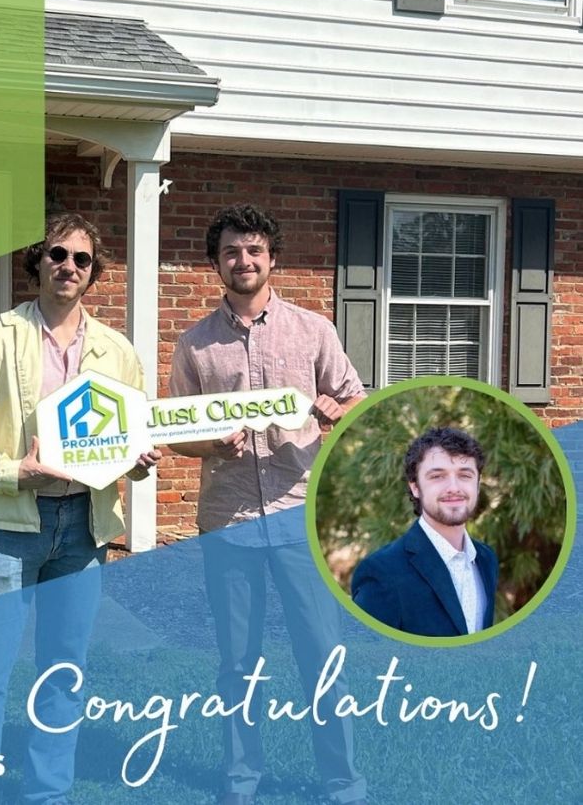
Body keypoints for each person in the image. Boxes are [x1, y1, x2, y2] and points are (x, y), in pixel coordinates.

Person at [0, 212, 161, 804]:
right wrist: (15, 471)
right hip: (9, 526)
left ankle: (48, 793)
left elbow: (129, 437)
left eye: (81, 260)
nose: (68, 267)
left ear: (94, 274)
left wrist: (134, 463)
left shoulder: (117, 351)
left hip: (83, 529)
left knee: (63, 672)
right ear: (37, 262)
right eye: (57, 255)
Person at [169, 204, 367, 805]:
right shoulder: (195, 344)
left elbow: (356, 397)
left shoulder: (313, 330)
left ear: (271, 259)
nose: (244, 260)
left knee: (322, 655)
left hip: (298, 513)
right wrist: (211, 442)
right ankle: (241, 781)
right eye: (232, 251)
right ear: (215, 264)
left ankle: (341, 780)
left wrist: (338, 411)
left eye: (254, 250)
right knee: (237, 662)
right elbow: (178, 432)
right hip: (228, 520)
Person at [351, 426, 498, 637]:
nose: (453, 487)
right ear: (415, 487)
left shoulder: (486, 560)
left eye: (465, 475)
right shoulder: (382, 573)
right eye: (438, 476)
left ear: (478, 483)